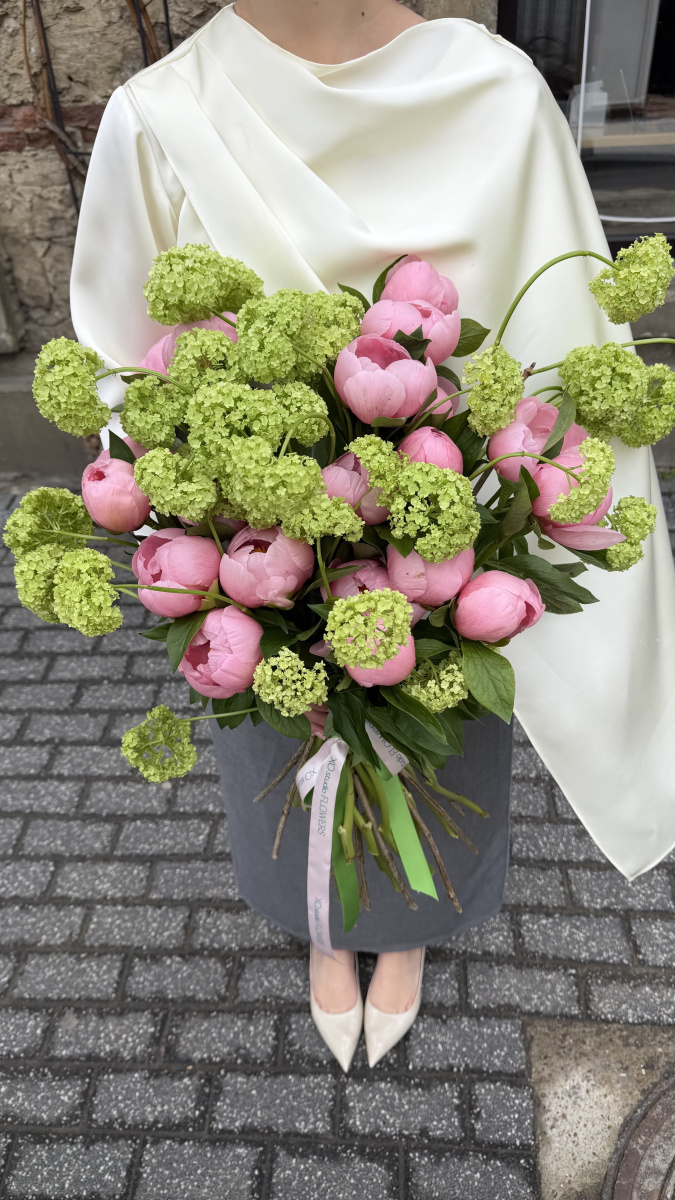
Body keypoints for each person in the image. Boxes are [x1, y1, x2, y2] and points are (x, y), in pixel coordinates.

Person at [70, 0, 675, 1071]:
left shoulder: (497, 95)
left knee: (439, 715)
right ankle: (326, 917)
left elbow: (565, 339)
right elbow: (124, 363)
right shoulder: (160, 115)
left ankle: (402, 925)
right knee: (287, 714)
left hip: (450, 536)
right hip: (262, 554)